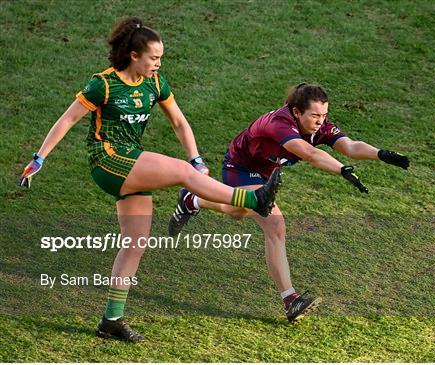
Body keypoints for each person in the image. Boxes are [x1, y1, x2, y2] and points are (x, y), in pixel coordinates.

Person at [18, 16, 282, 342]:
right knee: (183, 174)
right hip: (108, 160)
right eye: (154, 58)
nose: (158, 64)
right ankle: (253, 199)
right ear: (134, 55)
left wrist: (197, 158)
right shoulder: (103, 83)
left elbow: (180, 123)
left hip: (131, 161)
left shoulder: (155, 83)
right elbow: (68, 119)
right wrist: (39, 158)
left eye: (160, 58)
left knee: (135, 243)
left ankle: (111, 320)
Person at [168, 83, 410, 324]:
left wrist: (380, 154)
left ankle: (193, 200)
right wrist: (342, 169)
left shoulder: (319, 124)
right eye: (315, 115)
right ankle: (291, 300)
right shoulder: (279, 125)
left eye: (324, 115)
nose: (320, 121)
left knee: (238, 212)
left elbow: (350, 145)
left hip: (266, 172)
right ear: (296, 111)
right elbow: (310, 154)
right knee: (274, 224)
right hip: (241, 167)